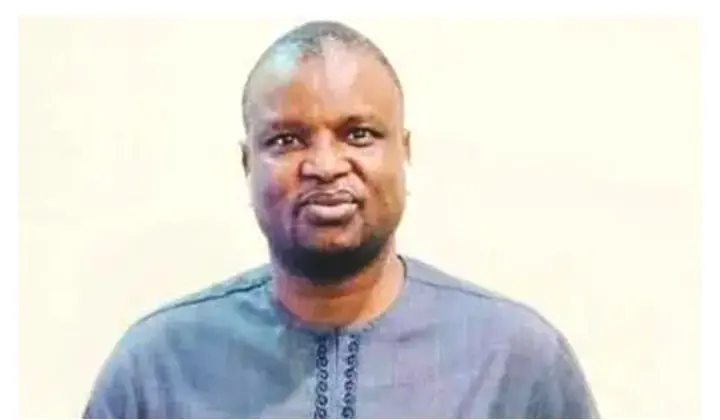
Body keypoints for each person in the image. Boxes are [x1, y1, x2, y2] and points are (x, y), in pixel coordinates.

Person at [83, 20, 599, 419]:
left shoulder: (514, 361)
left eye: (359, 134)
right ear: (247, 164)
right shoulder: (159, 367)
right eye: (287, 139)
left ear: (404, 152)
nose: (325, 166)